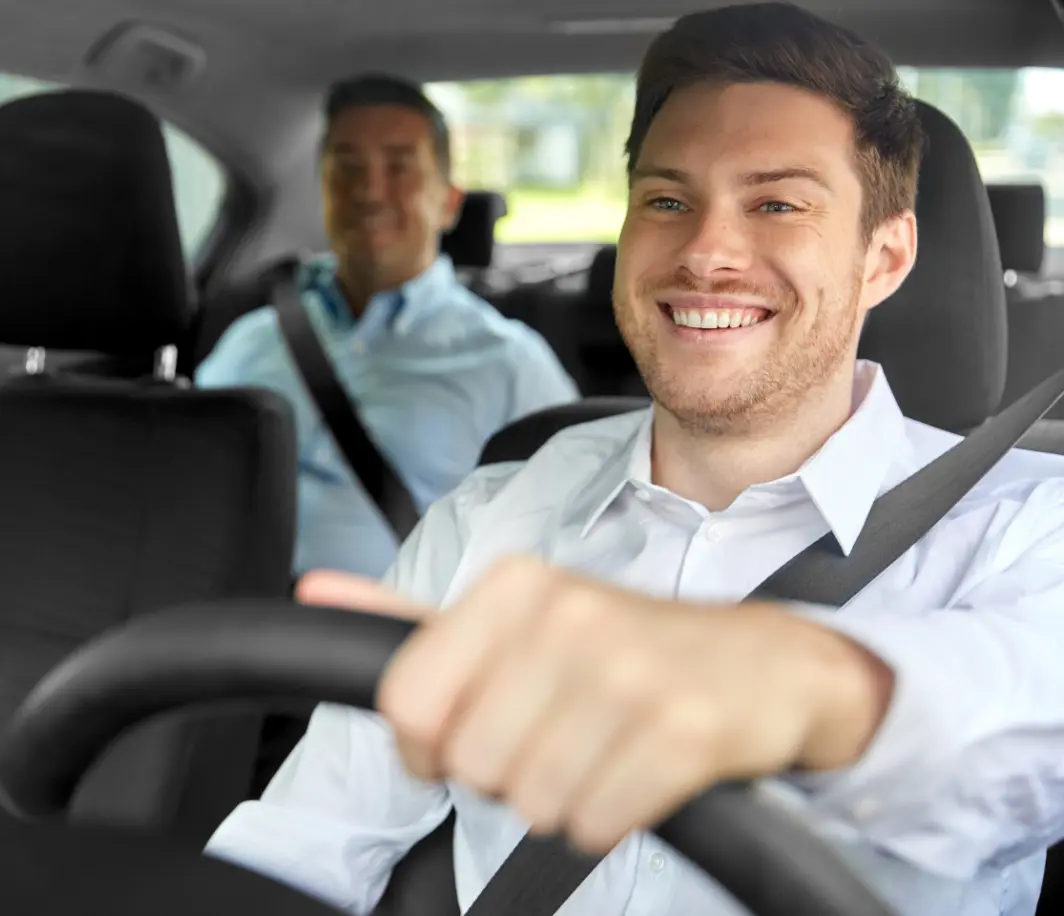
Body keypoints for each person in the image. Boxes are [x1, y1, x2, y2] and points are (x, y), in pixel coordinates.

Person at [206, 4, 1064, 914]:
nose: (706, 252)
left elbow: (1028, 724)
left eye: (776, 204)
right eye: (667, 201)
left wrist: (801, 686)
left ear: (884, 259)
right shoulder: (487, 518)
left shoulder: (1028, 527)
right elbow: (304, 844)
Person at [196, 74, 579, 578]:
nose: (370, 192)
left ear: (449, 203)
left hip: (392, 644)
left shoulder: (512, 366)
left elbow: (568, 550)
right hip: (218, 630)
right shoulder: (251, 339)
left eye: (399, 167)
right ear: (323, 190)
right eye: (347, 168)